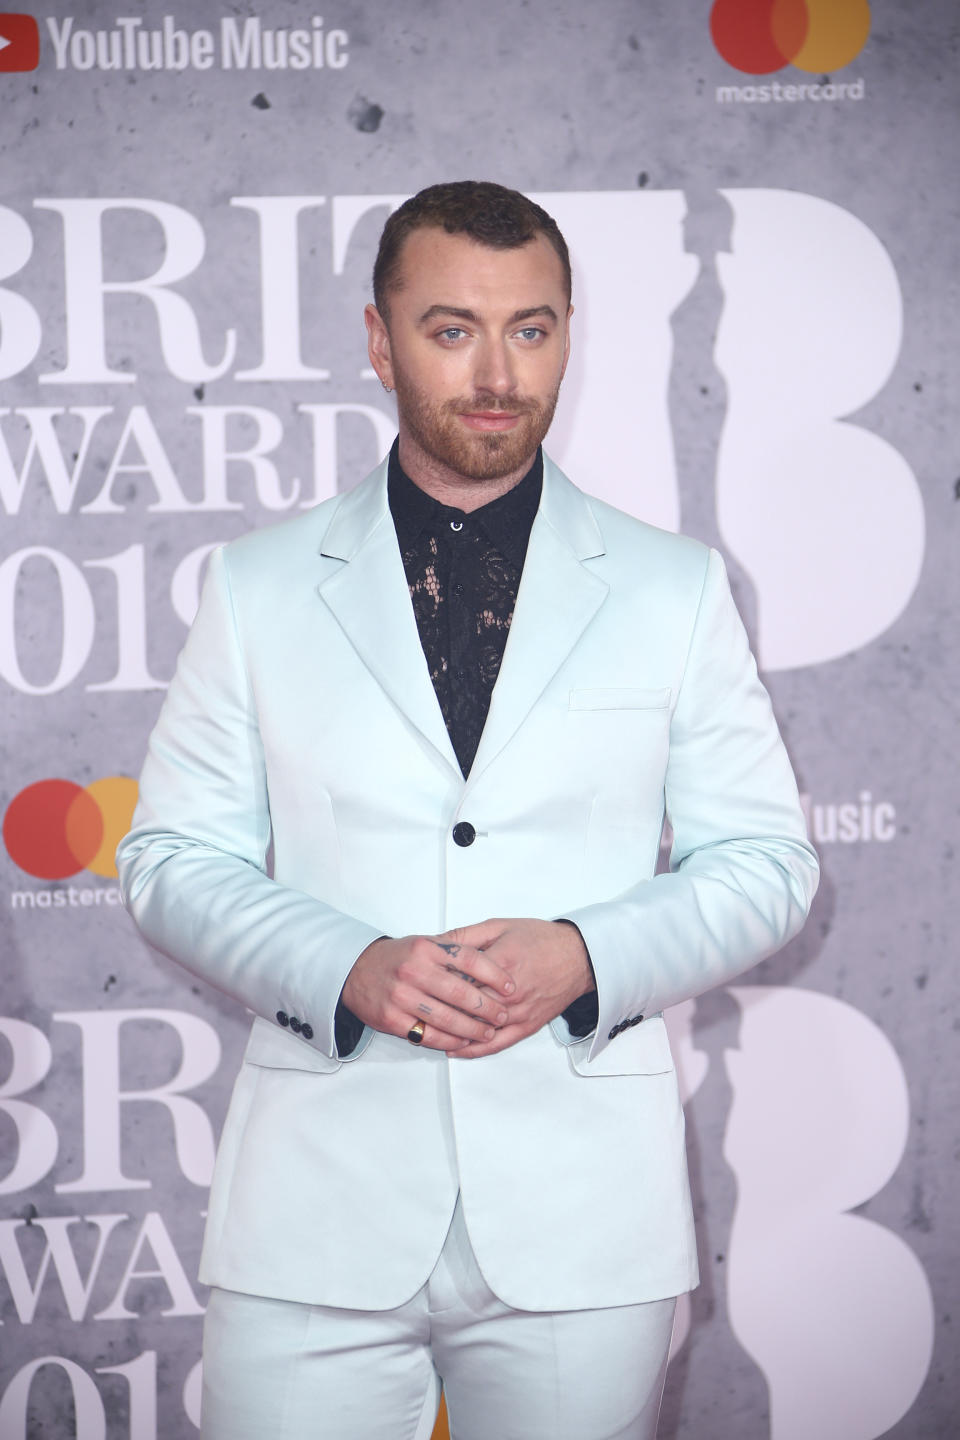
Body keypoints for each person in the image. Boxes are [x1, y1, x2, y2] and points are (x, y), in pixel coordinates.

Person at [117, 181, 818, 1440]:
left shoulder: (675, 588)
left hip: (582, 1219)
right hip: (312, 1217)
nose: (498, 374)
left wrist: (588, 954)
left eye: (532, 329)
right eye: (451, 330)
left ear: (567, 336)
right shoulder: (260, 584)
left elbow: (767, 864)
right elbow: (172, 859)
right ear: (379, 342)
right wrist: (352, 966)